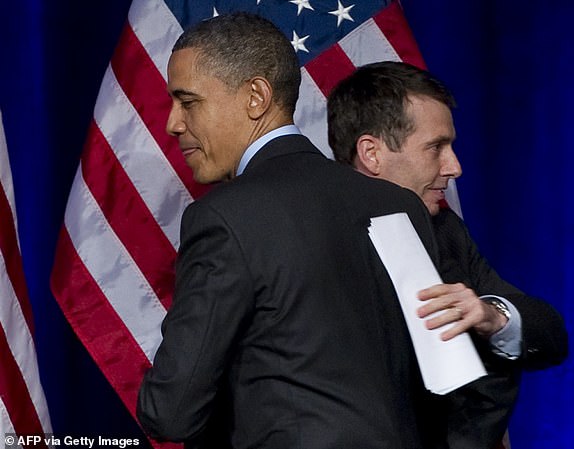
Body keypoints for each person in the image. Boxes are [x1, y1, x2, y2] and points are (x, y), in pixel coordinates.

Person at [137, 14, 448, 449]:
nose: (172, 122)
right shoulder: (399, 205)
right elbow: (438, 383)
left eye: (187, 102)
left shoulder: (225, 217)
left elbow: (172, 411)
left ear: (256, 97)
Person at [327, 61, 569, 448]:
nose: (454, 167)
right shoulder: (318, 244)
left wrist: (493, 316)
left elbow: (550, 332)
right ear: (371, 154)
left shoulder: (444, 228)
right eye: (436, 147)